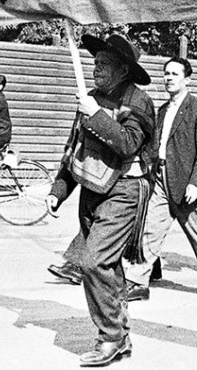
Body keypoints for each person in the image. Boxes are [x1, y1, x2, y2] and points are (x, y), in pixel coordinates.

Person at [45, 33, 155, 367]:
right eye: (95, 62)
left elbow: (128, 143)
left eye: (105, 64)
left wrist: (95, 114)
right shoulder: (90, 98)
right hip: (91, 190)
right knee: (108, 266)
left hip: (124, 190)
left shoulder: (138, 102)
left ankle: (110, 337)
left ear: (124, 69)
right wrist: (58, 191)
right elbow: (74, 148)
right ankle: (120, 335)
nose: (96, 68)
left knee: (93, 262)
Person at [126, 57, 197, 301]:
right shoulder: (163, 110)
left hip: (187, 183)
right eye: (166, 73)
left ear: (187, 80)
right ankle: (138, 281)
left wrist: (196, 183)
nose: (169, 78)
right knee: (150, 228)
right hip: (161, 178)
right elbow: (157, 145)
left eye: (175, 74)